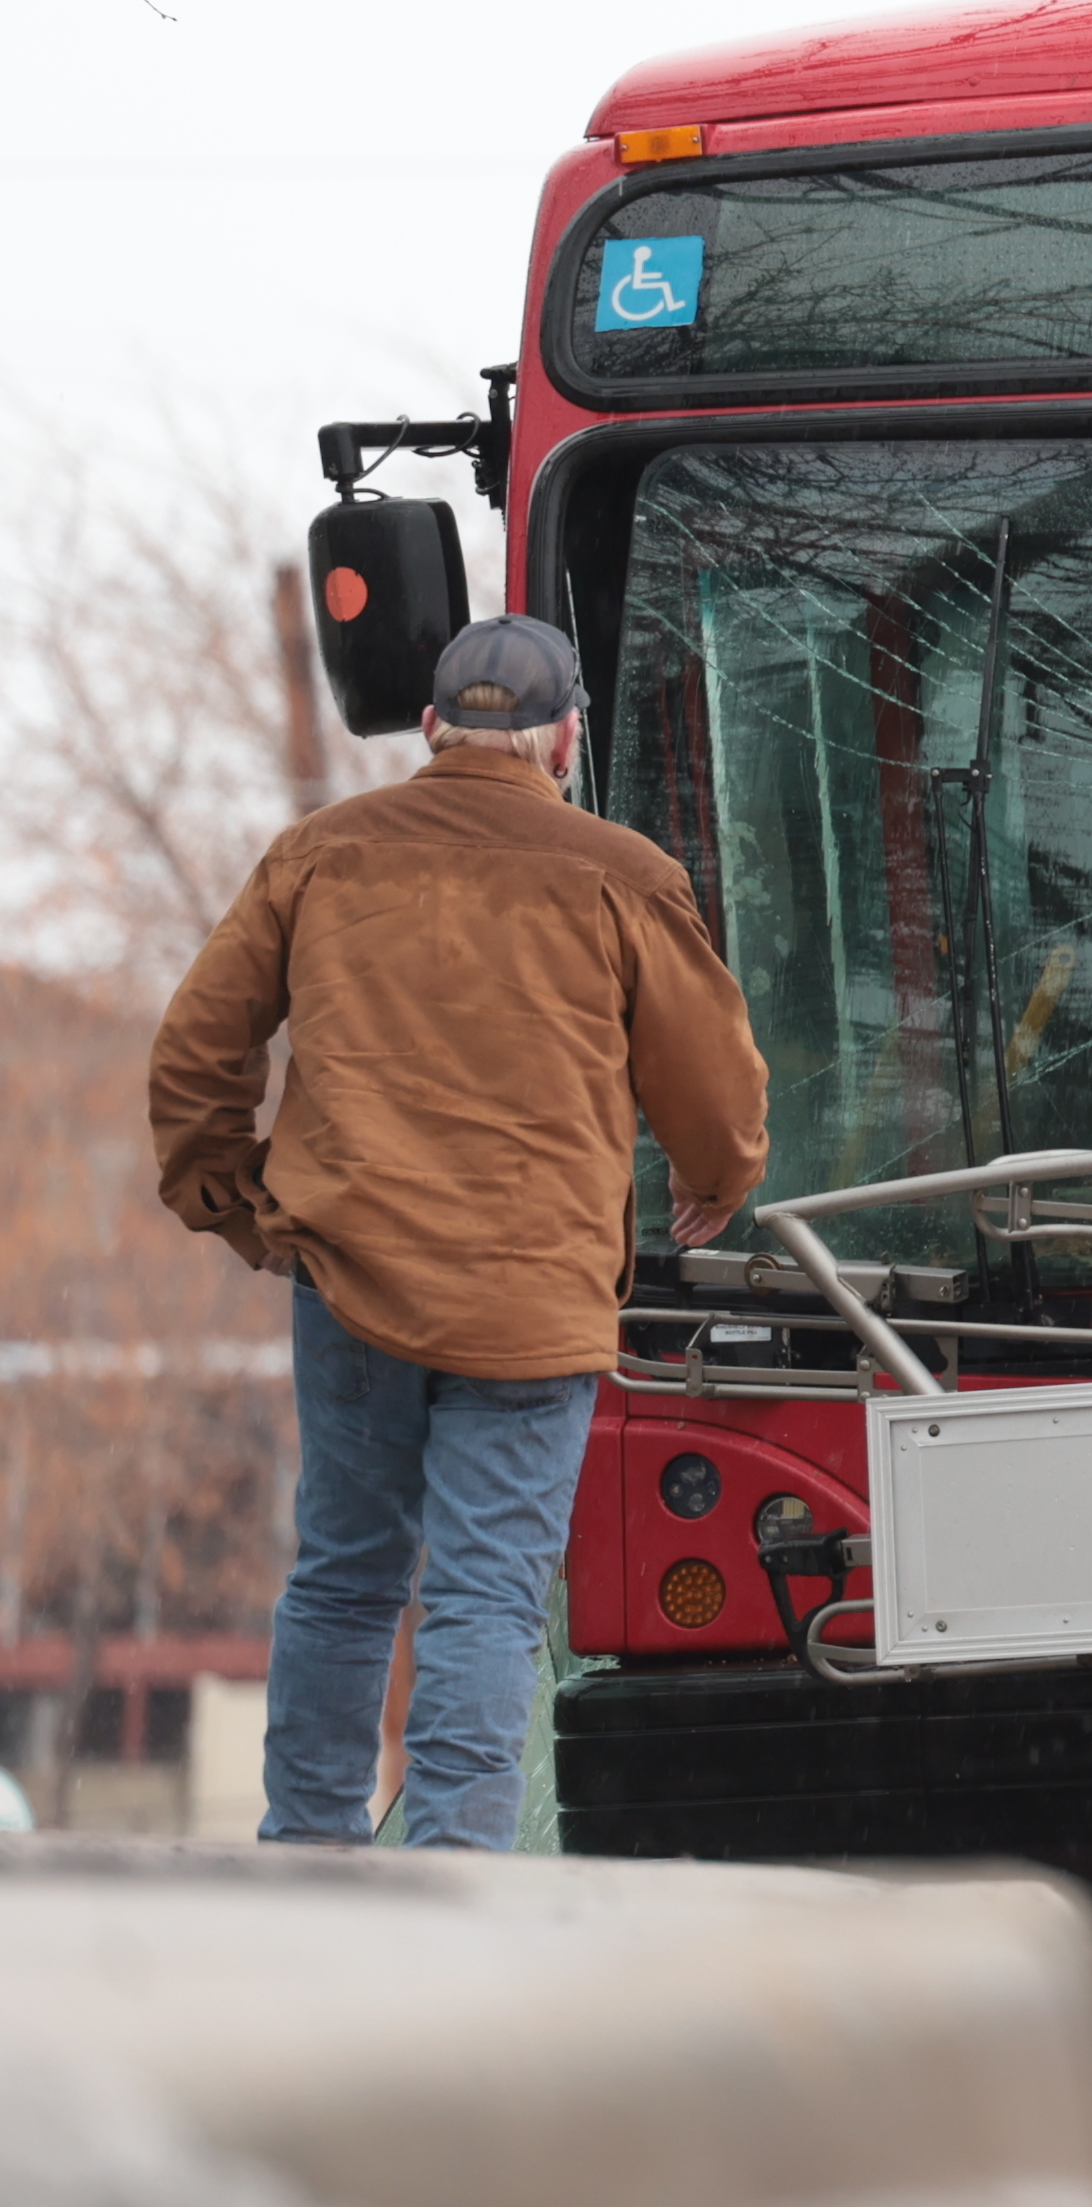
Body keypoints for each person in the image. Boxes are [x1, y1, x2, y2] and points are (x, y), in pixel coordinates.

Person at [148, 612, 766, 1849]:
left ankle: (312, 1852)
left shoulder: (320, 855)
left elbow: (196, 1053)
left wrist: (242, 1205)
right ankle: (453, 1882)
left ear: (430, 728)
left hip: (351, 1281)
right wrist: (718, 1172)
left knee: (344, 1578)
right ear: (563, 739)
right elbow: (717, 1092)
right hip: (531, 1309)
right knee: (485, 1599)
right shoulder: (621, 873)